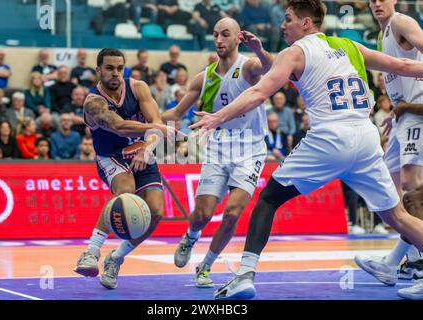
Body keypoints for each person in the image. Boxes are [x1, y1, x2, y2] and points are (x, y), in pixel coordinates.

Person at [190, 0, 423, 300]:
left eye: (288, 19)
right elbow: (404, 66)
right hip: (366, 138)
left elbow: (260, 91)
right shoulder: (349, 46)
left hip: (329, 137)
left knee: (269, 199)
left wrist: (217, 116)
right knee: (398, 216)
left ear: (306, 23)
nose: (282, 24)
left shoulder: (296, 52)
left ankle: (244, 275)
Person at [162, 18, 273, 288]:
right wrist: (138, 122)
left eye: (225, 34)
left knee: (233, 213)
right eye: (215, 35)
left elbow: (271, 68)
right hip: (219, 149)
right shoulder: (205, 77)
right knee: (202, 215)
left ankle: (206, 266)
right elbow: (175, 114)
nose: (219, 40)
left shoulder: (248, 67)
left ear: (237, 39)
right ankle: (190, 237)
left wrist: (259, 49)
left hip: (250, 150)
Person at [74, 48, 175, 290]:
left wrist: (148, 148)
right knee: (126, 192)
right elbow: (120, 127)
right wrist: (158, 131)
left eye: (120, 68)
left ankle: (115, 259)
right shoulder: (93, 102)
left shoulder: (138, 87)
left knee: (156, 211)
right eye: (109, 68)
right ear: (98, 70)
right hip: (112, 156)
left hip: (142, 151)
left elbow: (156, 124)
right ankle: (90, 252)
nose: (116, 73)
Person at [352, 0, 423, 299]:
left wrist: (409, 107)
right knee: (389, 197)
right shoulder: (382, 35)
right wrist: (398, 111)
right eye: (372, 0)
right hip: (403, 116)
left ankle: (419, 262)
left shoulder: (401, 23)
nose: (378, 3)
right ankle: (393, 263)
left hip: (417, 113)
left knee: (412, 187)